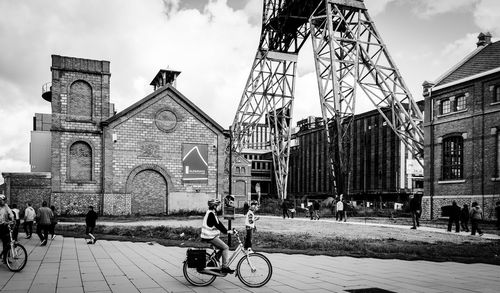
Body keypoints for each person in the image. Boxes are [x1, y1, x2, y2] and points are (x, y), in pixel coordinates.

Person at [201, 198, 235, 274]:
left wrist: (227, 231)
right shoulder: (211, 214)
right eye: (217, 205)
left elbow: (219, 223)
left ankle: (213, 262)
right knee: (226, 247)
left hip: (210, 236)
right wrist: (227, 232)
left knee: (222, 247)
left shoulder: (211, 213)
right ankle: (224, 267)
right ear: (214, 206)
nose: (219, 207)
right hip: (209, 236)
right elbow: (218, 225)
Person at [0, 194, 14, 264]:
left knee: (7, 243)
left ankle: (6, 258)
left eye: (4, 200)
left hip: (4, 226)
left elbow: (10, 213)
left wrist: (12, 218)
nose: (4, 201)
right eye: (3, 200)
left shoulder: (6, 206)